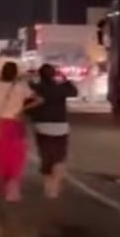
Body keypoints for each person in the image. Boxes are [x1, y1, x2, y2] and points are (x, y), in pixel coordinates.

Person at [0, 61, 39, 201]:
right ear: (16, 73)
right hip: (15, 123)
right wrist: (22, 109)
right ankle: (14, 182)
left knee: (1, 154)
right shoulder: (20, 87)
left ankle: (5, 183)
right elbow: (37, 98)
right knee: (17, 154)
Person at [28, 64, 79, 198]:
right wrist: (65, 78)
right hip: (60, 127)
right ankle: (55, 186)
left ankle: (48, 187)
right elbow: (74, 91)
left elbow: (27, 100)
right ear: (54, 75)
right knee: (59, 157)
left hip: (42, 126)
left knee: (46, 156)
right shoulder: (60, 88)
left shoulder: (38, 88)